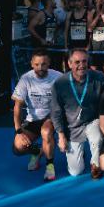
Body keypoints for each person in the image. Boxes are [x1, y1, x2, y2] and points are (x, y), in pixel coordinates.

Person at [50, 49, 104, 178]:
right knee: (75, 172)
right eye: (77, 62)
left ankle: (95, 164)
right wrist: (61, 136)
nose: (81, 65)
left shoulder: (97, 76)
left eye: (84, 61)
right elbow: (56, 112)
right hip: (72, 128)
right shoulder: (60, 83)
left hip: (92, 121)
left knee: (97, 136)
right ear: (69, 63)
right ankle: (80, 153)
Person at [12, 50, 63, 181]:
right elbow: (17, 107)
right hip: (32, 119)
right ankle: (37, 151)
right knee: (18, 148)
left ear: (49, 63)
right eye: (37, 64)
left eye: (44, 64)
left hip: (52, 117)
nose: (40, 68)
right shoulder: (26, 79)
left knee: (46, 132)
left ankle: (50, 166)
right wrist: (18, 131)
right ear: (32, 64)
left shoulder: (58, 77)